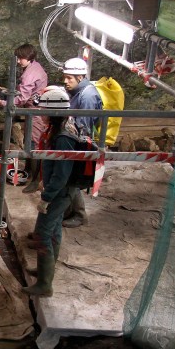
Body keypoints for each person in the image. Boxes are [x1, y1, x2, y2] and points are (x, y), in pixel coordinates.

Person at [22, 86, 80, 297]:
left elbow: (62, 173)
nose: (41, 115)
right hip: (59, 191)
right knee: (53, 230)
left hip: (60, 193)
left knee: (42, 234)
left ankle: (45, 284)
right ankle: (46, 270)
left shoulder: (63, 137)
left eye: (44, 111)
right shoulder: (58, 131)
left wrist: (47, 196)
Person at [0, 43, 49, 193]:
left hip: (36, 112)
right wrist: (7, 90)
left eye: (20, 58)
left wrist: (4, 102)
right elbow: (23, 91)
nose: (18, 61)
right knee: (31, 143)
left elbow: (22, 97)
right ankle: (31, 173)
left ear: (29, 57)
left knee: (33, 145)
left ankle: (35, 180)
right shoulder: (35, 67)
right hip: (35, 110)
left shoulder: (29, 73)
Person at [61, 58, 103, 228]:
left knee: (73, 180)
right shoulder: (79, 92)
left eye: (69, 78)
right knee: (70, 180)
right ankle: (71, 212)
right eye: (64, 77)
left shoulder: (87, 97)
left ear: (80, 77)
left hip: (80, 143)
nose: (65, 81)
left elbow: (83, 128)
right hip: (75, 140)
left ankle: (79, 215)